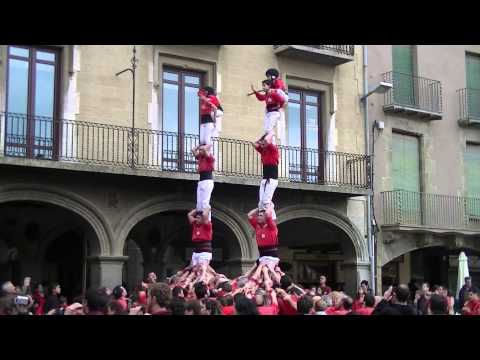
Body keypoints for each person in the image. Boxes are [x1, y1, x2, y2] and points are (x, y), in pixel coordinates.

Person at [253, 132, 279, 220]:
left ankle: (273, 219)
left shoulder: (273, 149)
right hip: (265, 179)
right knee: (260, 204)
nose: (262, 144)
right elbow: (254, 143)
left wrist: (271, 132)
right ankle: (269, 216)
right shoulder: (263, 151)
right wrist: (261, 137)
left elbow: (268, 140)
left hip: (272, 179)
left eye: (263, 143)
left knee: (266, 201)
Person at [251, 79, 285, 144]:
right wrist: (255, 92)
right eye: (262, 86)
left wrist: (279, 106)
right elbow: (261, 98)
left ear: (269, 86)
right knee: (266, 129)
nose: (263, 87)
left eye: (264, 86)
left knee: (269, 129)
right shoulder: (267, 95)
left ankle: (273, 144)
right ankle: (270, 142)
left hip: (274, 113)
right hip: (268, 114)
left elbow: (282, 100)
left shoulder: (273, 94)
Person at [247, 204, 279, 272]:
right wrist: (259, 208)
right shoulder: (257, 226)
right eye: (258, 215)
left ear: (265, 218)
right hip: (261, 256)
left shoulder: (272, 226)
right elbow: (249, 215)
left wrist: (270, 207)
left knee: (266, 274)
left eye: (261, 216)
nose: (258, 217)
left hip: (271, 257)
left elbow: (267, 214)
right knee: (249, 274)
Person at [187, 208, 213, 283]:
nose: (196, 219)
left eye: (198, 218)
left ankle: (201, 284)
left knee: (202, 271)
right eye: (196, 217)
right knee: (193, 269)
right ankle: (193, 283)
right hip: (196, 250)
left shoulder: (207, 225)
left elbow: (205, 214)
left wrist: (206, 208)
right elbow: (189, 215)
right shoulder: (195, 224)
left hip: (205, 252)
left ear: (203, 219)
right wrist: (197, 209)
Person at [192, 144, 215, 221]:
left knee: (205, 202)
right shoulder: (200, 157)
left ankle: (207, 220)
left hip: (208, 181)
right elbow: (193, 150)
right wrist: (199, 145)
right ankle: (200, 218)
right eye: (200, 150)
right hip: (201, 181)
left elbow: (206, 152)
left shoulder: (210, 157)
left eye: (201, 150)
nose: (200, 151)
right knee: (199, 203)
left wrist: (206, 147)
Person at [265, 68, 287, 144]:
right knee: (269, 128)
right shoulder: (272, 83)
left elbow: (279, 89)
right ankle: (271, 141)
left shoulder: (278, 81)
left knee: (277, 91)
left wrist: (271, 90)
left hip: (283, 96)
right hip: (279, 99)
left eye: (268, 76)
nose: (267, 78)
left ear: (273, 76)